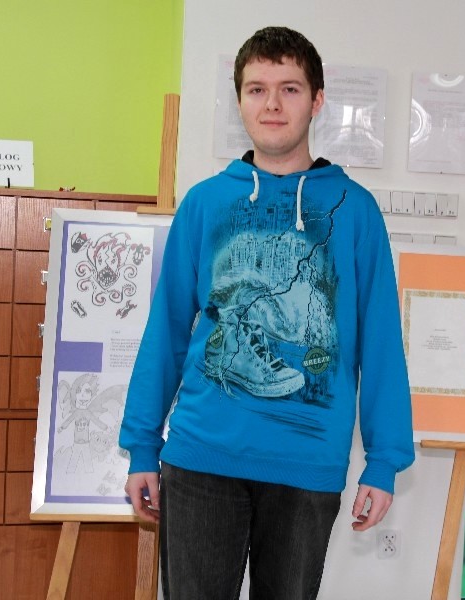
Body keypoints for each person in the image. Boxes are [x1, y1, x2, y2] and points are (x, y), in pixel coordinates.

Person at [119, 25, 414, 599]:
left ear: (317, 100)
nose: (272, 104)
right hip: (203, 458)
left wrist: (384, 460)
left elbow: (380, 342)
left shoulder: (355, 211)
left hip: (307, 463)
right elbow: (167, 330)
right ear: (240, 101)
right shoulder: (205, 203)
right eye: (257, 89)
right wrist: (142, 445)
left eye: (289, 89)